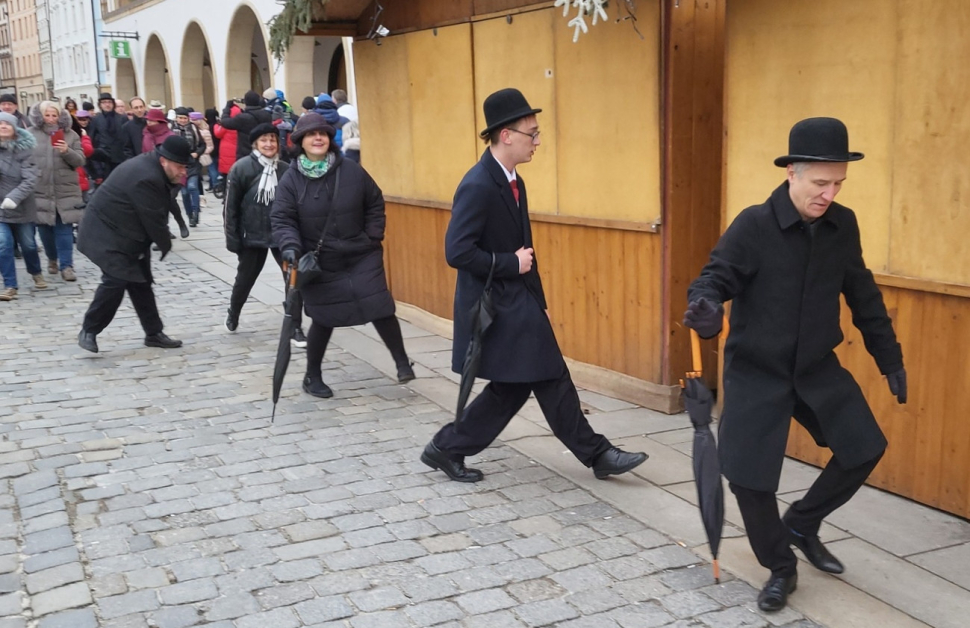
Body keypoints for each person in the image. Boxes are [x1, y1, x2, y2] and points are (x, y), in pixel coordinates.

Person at [684, 117, 906, 613]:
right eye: (820, 183)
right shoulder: (754, 225)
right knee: (748, 478)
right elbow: (713, 279)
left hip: (813, 365)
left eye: (838, 184)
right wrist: (704, 309)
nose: (829, 194)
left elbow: (863, 294)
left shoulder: (841, 225)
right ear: (792, 174)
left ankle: (803, 523)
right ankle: (781, 566)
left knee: (864, 448)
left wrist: (889, 356)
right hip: (756, 370)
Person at [420, 88, 648, 483]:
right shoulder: (477, 185)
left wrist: (538, 298)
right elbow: (457, 252)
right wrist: (510, 263)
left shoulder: (514, 182)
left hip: (519, 301)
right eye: (532, 134)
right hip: (496, 303)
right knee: (545, 374)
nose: (538, 142)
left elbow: (526, 247)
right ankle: (597, 455)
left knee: (519, 383)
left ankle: (447, 447)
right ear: (506, 135)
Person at [271, 113, 413, 398]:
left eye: (322, 133)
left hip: (361, 253)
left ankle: (401, 362)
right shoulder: (291, 180)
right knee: (324, 317)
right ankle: (312, 376)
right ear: (301, 141)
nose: (318, 138)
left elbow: (375, 202)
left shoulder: (351, 170)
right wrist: (290, 246)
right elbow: (282, 218)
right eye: (311, 135)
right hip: (320, 260)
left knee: (379, 303)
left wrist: (373, 235)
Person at [76, 136, 191, 353]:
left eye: (185, 167)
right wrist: (165, 244)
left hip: (129, 233)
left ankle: (153, 333)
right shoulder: (147, 177)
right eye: (180, 166)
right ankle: (89, 330)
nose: (183, 172)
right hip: (105, 232)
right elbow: (153, 218)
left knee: (141, 282)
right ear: (164, 160)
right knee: (115, 281)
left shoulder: (154, 167)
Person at [224, 123, 305, 345]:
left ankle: (295, 325)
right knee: (245, 279)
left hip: (282, 236)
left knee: (293, 281)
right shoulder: (241, 168)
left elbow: (297, 205)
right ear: (255, 144)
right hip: (252, 235)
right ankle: (234, 311)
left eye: (272, 139)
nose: (269, 144)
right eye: (263, 140)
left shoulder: (287, 169)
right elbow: (230, 207)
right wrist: (233, 239)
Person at [28, 102, 85, 282]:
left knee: (64, 229)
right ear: (40, 116)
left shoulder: (71, 134)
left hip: (65, 189)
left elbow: (80, 161)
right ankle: (52, 258)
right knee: (45, 229)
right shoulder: (30, 134)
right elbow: (24, 160)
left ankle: (67, 266)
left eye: (55, 115)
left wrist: (66, 151)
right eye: (48, 115)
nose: (51, 119)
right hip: (40, 188)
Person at [0, 112, 44, 301]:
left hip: (21, 206)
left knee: (28, 245)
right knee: (3, 245)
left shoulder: (25, 151)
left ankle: (35, 272)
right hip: (0, 210)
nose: (2, 126)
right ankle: (10, 285)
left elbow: (30, 179)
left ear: (14, 128)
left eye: (6, 124)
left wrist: (13, 198)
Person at [141, 109, 188, 239]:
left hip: (174, 175)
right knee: (160, 203)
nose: (149, 123)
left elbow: (180, 158)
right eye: (148, 120)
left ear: (160, 122)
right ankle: (165, 231)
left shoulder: (170, 136)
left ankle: (179, 223)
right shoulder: (146, 135)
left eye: (152, 120)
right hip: (154, 174)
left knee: (168, 199)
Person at [170, 107, 204, 227]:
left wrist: (197, 153)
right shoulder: (171, 129)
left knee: (192, 187)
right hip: (178, 165)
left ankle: (196, 213)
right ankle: (189, 215)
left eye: (185, 118)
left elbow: (202, 145)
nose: (183, 120)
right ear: (176, 118)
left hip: (192, 164)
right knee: (184, 193)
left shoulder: (194, 128)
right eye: (180, 118)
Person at [219, 91, 272, 164]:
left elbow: (225, 122)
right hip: (263, 151)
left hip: (246, 153)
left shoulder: (243, 118)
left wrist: (227, 109)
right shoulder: (267, 115)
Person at [88, 93, 126, 181]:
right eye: (104, 102)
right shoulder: (96, 119)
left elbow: (126, 139)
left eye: (109, 102)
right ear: (100, 105)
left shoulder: (122, 118)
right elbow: (91, 140)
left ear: (113, 104)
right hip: (104, 159)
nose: (107, 104)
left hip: (121, 157)